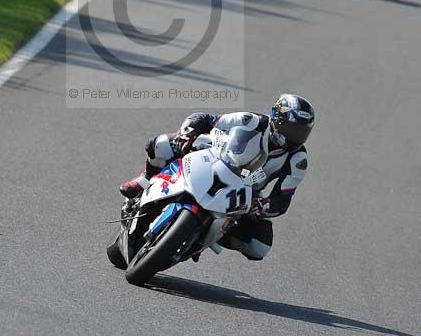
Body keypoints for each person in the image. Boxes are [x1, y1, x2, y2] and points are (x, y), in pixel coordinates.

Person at [120, 94, 315, 262]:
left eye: (301, 133)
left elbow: (282, 199)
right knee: (161, 144)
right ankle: (143, 180)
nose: (295, 137)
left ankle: (214, 235)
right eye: (291, 130)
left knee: (259, 246)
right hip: (215, 156)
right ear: (276, 120)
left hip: (246, 191)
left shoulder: (298, 159)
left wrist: (262, 206)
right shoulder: (251, 121)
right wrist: (186, 134)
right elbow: (205, 119)